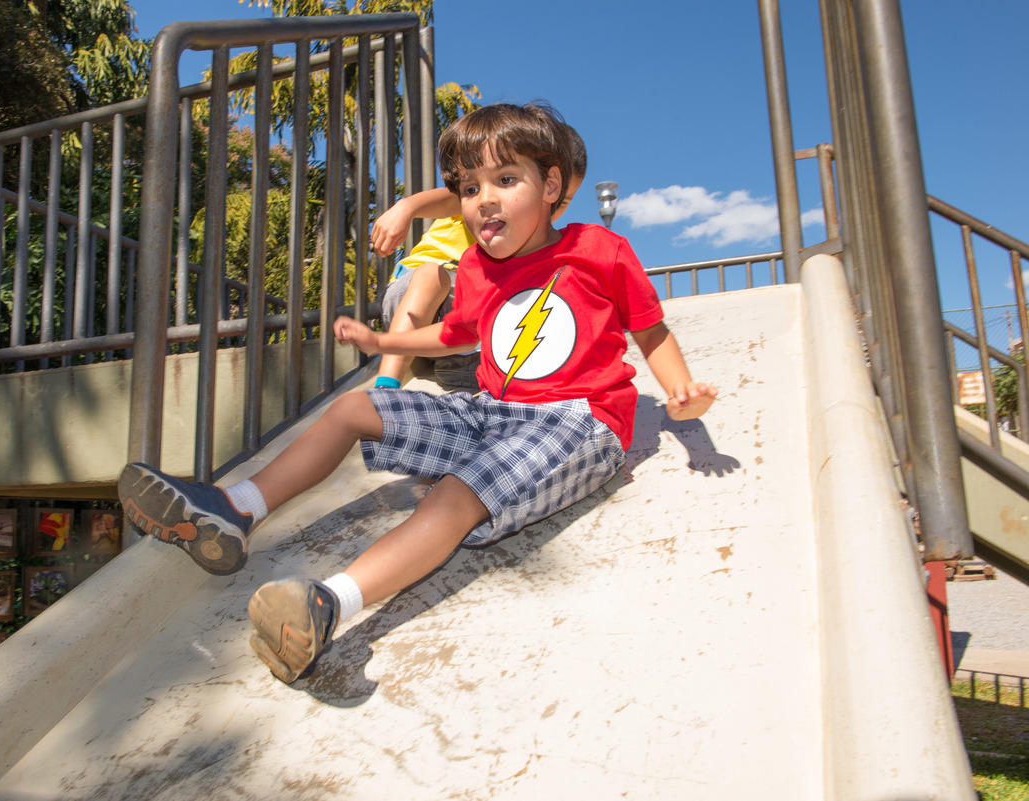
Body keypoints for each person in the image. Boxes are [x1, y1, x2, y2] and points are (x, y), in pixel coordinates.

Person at [117, 102, 718, 685]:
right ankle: (236, 508)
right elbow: (455, 334)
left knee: (456, 493)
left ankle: (328, 605)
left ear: (552, 185)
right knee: (354, 407)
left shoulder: (597, 249)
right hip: (491, 412)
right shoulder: (476, 266)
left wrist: (680, 392)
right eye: (470, 188)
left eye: (506, 180)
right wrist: (383, 342)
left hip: (576, 421)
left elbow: (650, 328)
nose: (485, 199)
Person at [368, 125, 587, 390]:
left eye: (562, 201)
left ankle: (460, 369)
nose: (547, 206)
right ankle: (386, 387)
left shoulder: (534, 238)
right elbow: (450, 199)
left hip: (460, 328)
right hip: (418, 294)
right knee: (431, 275)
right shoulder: (484, 201)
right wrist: (407, 208)